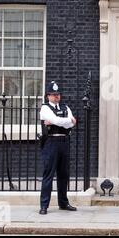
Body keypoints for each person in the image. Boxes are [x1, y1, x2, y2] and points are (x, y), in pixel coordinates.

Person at [38, 81, 77, 215]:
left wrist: (63, 121)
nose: (56, 97)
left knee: (63, 175)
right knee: (48, 174)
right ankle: (44, 205)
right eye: (53, 94)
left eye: (58, 94)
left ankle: (63, 203)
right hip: (51, 142)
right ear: (48, 95)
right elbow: (61, 121)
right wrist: (65, 121)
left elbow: (71, 124)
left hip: (64, 142)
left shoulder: (66, 107)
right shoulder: (45, 108)